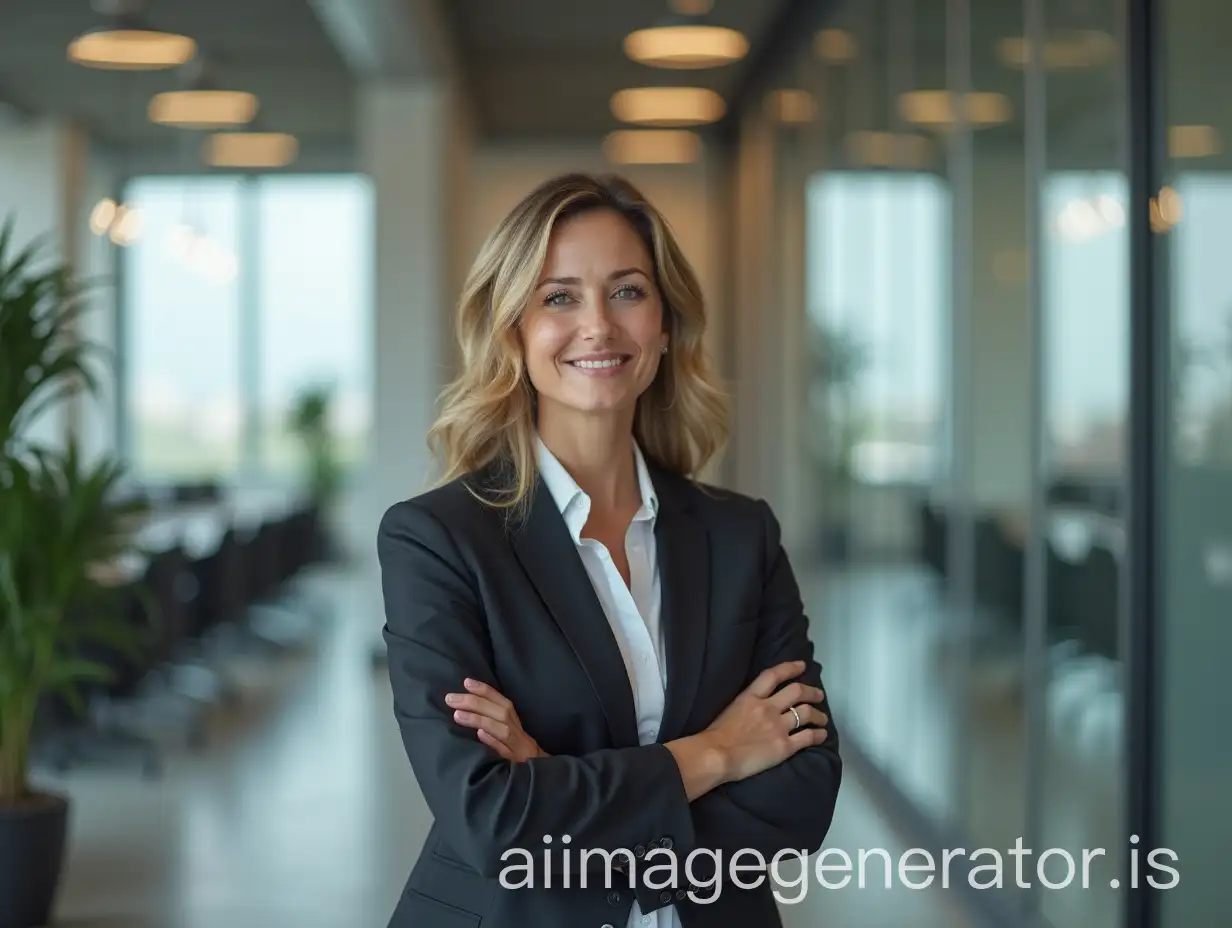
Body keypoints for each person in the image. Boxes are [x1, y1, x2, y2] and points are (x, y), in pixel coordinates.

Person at [377, 172, 841, 928]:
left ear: (665, 325)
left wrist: (559, 790)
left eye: (627, 291)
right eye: (558, 296)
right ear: (512, 329)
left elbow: (805, 791)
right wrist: (718, 755)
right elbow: (493, 821)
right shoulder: (437, 541)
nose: (598, 326)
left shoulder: (740, 534)